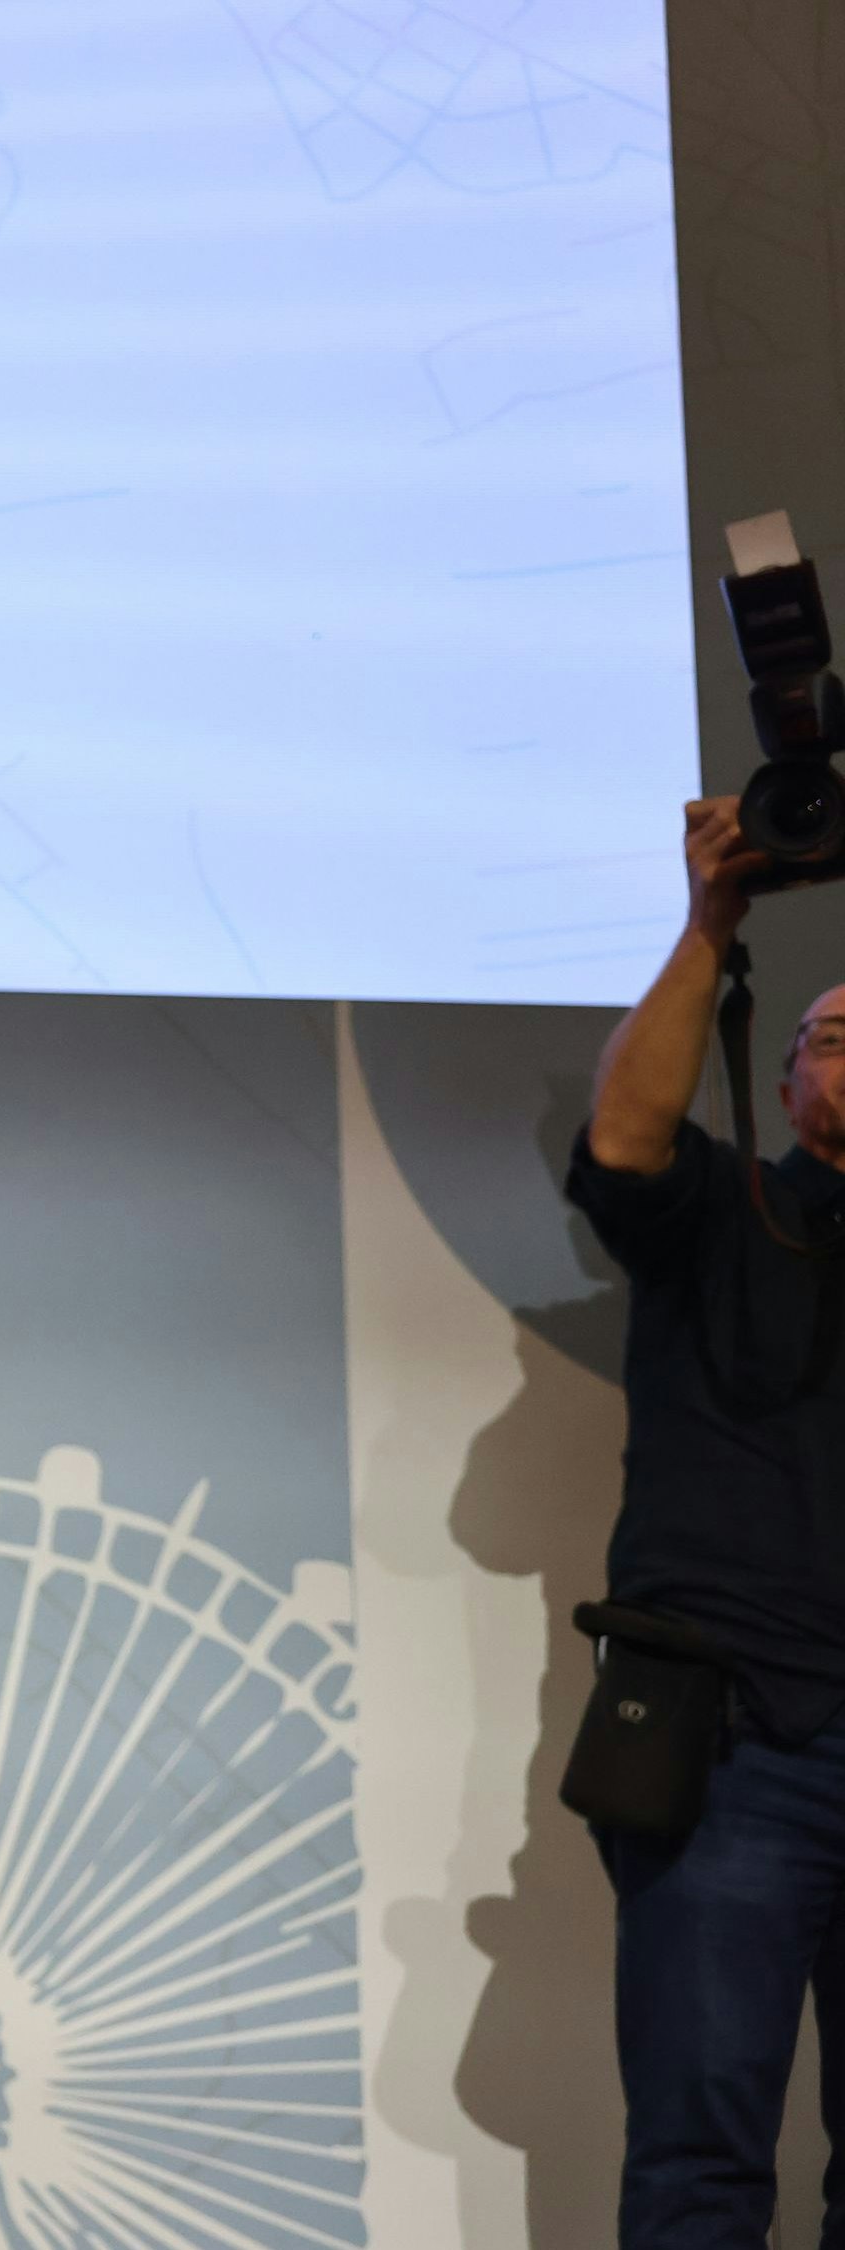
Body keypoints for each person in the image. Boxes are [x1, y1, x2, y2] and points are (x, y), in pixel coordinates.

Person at [571, 792, 845, 2249]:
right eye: (836, 1033)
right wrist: (711, 924)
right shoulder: (725, 1212)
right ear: (785, 1077)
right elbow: (624, 1132)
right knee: (699, 2156)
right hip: (737, 1735)